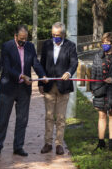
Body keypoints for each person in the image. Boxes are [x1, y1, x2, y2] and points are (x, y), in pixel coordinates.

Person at [0, 25, 47, 157]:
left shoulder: (30, 46)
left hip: (24, 89)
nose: (23, 41)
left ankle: (18, 147)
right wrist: (21, 76)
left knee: (22, 119)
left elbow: (35, 63)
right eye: (21, 38)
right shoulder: (7, 46)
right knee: (3, 118)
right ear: (15, 36)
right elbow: (7, 67)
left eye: (25, 38)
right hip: (8, 87)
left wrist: (42, 75)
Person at [38, 22, 78, 155]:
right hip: (49, 85)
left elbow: (74, 62)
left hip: (63, 86)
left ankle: (59, 144)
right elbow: (42, 63)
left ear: (63, 34)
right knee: (49, 116)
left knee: (60, 117)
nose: (55, 37)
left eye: (58, 35)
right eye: (53, 35)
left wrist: (69, 72)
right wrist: (40, 83)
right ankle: (48, 143)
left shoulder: (70, 46)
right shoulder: (47, 45)